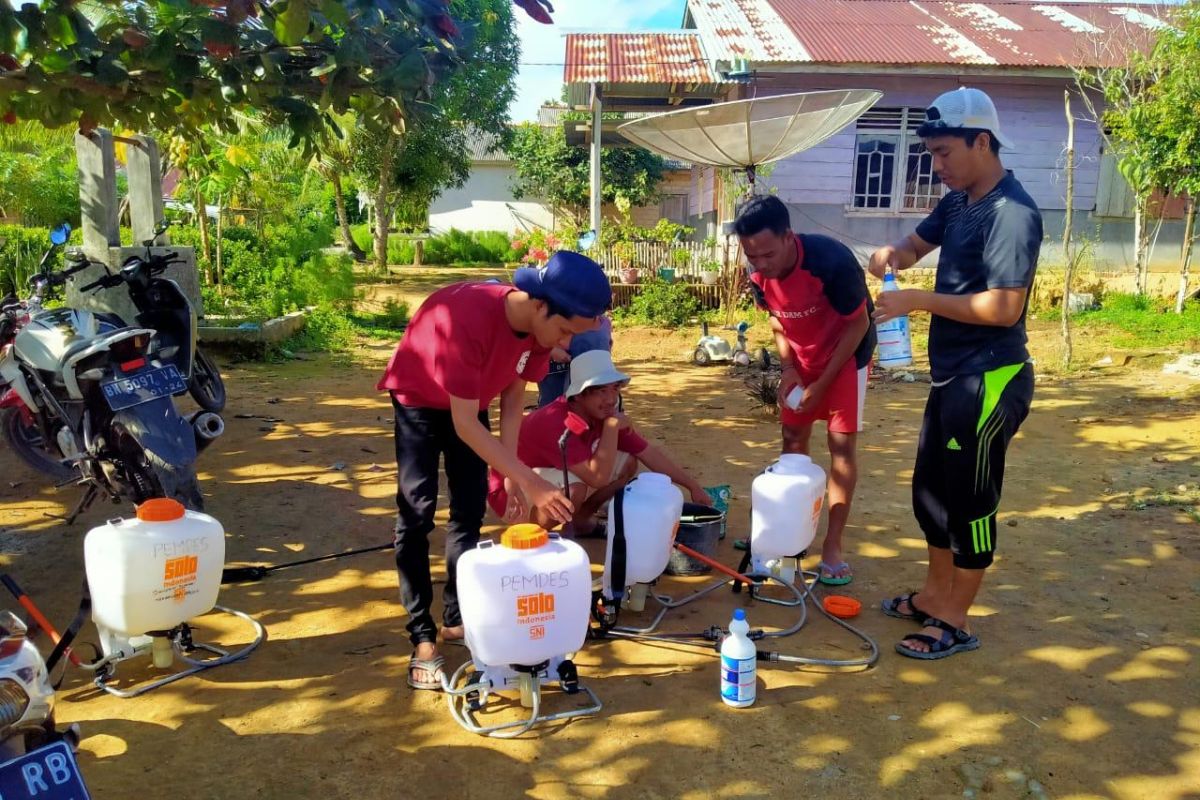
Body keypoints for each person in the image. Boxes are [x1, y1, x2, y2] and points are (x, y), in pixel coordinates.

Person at [377, 251, 611, 690]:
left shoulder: (538, 335)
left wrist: (508, 473)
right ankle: (422, 636)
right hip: (420, 401)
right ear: (540, 304)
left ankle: (454, 618)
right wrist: (530, 479)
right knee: (418, 512)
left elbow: (511, 398)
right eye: (563, 330)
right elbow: (464, 425)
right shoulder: (468, 318)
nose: (561, 344)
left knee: (467, 511)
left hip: (471, 401)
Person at [871, 87, 1040, 660]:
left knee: (970, 500)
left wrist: (917, 300)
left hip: (991, 378)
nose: (936, 166)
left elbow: (1003, 309)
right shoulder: (961, 202)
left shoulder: (1011, 214)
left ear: (981, 141)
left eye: (945, 153)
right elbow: (915, 246)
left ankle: (956, 618)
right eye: (933, 155)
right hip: (952, 376)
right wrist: (891, 256)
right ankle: (933, 594)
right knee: (931, 496)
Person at [733, 194, 875, 586]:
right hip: (802, 356)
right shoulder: (759, 273)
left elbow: (858, 324)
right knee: (792, 436)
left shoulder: (830, 262)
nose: (760, 265)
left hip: (846, 357)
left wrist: (822, 383)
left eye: (767, 255)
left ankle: (833, 543)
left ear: (788, 237)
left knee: (841, 445)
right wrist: (790, 369)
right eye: (751, 256)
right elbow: (778, 322)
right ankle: (782, 528)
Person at [488, 349, 711, 533]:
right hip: (512, 493)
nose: (611, 399)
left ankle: (581, 521)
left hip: (552, 472)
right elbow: (597, 478)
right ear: (578, 395)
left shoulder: (601, 412)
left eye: (614, 389)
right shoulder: (556, 421)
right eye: (600, 391)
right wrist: (612, 428)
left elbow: (648, 453)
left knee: (627, 462)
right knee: (573, 490)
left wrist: (693, 486)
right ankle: (534, 533)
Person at [537, 312, 613, 407]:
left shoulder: (604, 323)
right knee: (553, 409)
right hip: (559, 377)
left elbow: (608, 348)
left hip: (594, 383)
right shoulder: (556, 317)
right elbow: (535, 339)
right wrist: (552, 351)